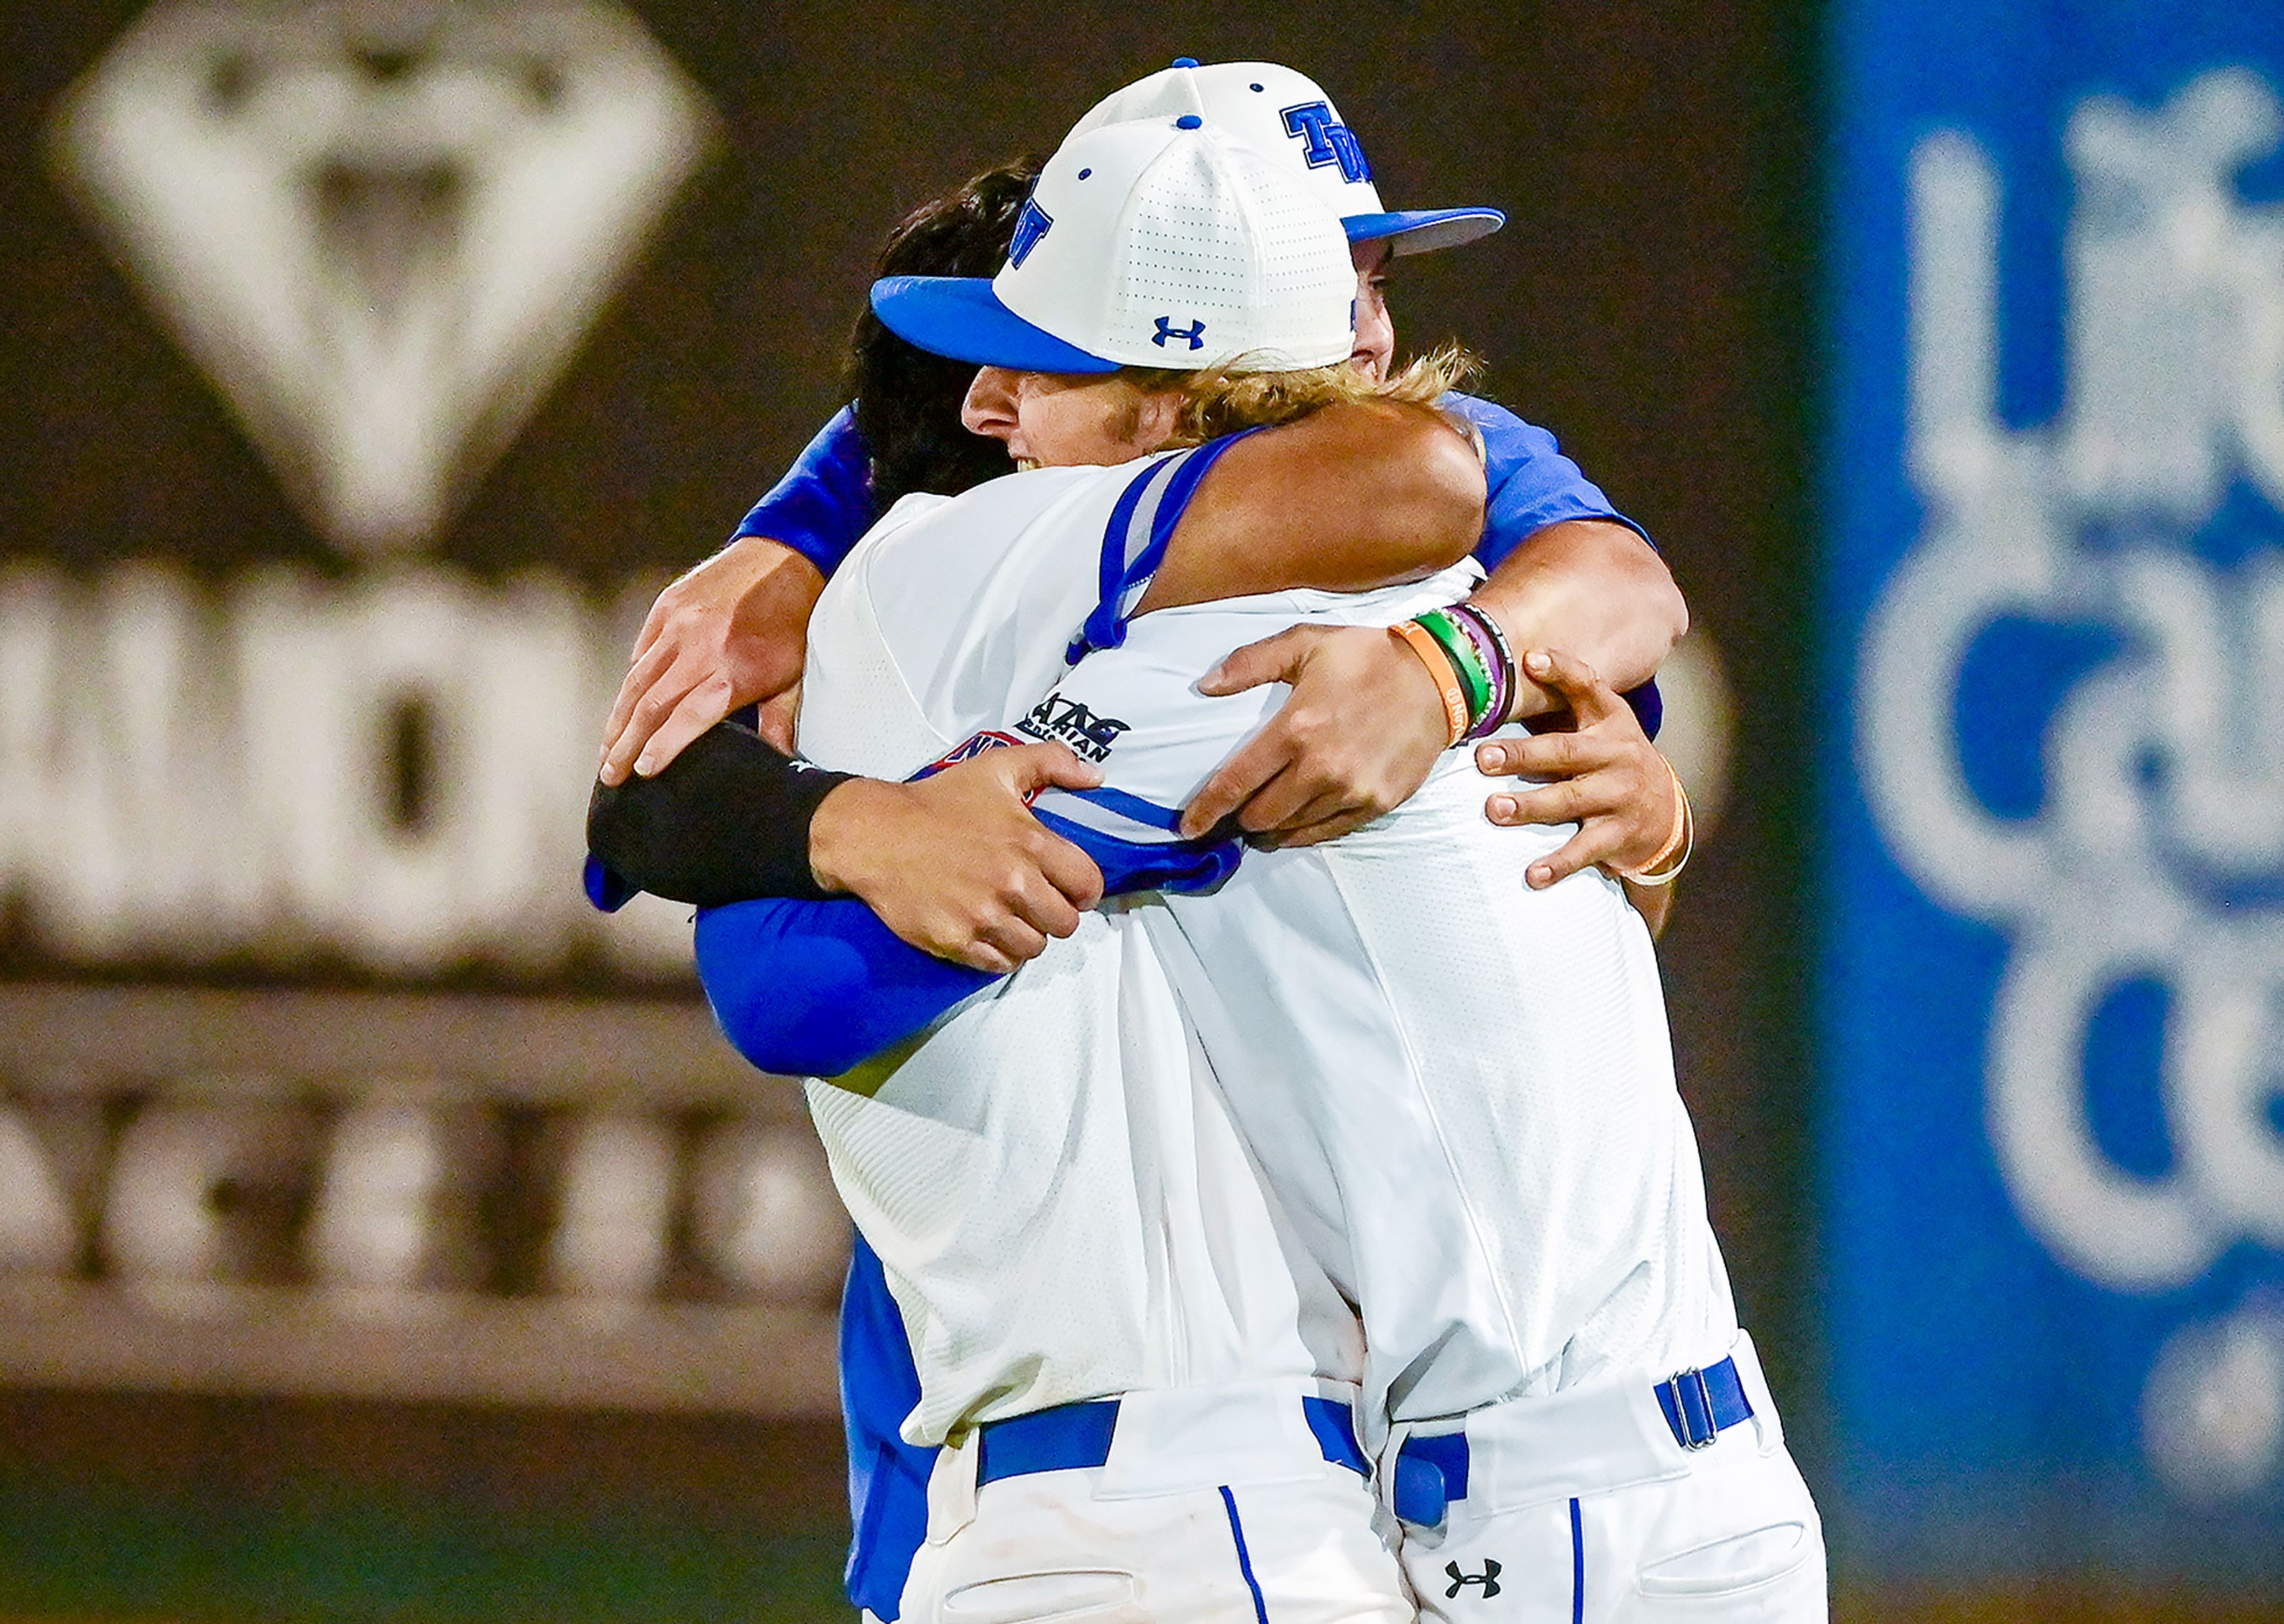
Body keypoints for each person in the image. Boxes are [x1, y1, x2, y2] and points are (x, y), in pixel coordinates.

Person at [657, 106, 1821, 1621]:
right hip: (1564, 1484)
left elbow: (781, 984)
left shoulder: (1242, 659)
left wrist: (850, 826)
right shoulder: (1487, 617)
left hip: (1462, 1510)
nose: (996, 408)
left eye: (1047, 359)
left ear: (1164, 408)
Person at [595, 62, 1687, 959]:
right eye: (1324, 278)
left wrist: (1456, 678)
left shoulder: (1425, 479)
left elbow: (1614, 590)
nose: (1366, 336)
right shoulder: (967, 489)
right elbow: (649, 808)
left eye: (1375, 281)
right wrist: (863, 817)